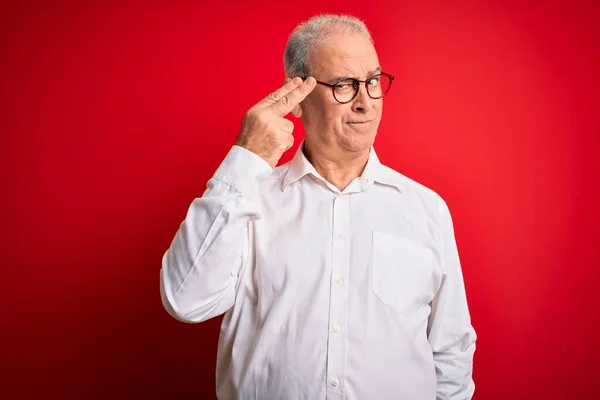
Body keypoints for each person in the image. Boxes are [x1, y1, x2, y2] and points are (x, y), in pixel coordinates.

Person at [160, 13, 477, 400]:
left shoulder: (427, 210)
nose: (365, 102)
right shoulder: (247, 200)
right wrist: (246, 157)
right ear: (297, 98)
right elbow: (185, 300)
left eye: (373, 81)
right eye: (344, 85)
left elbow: (451, 351)